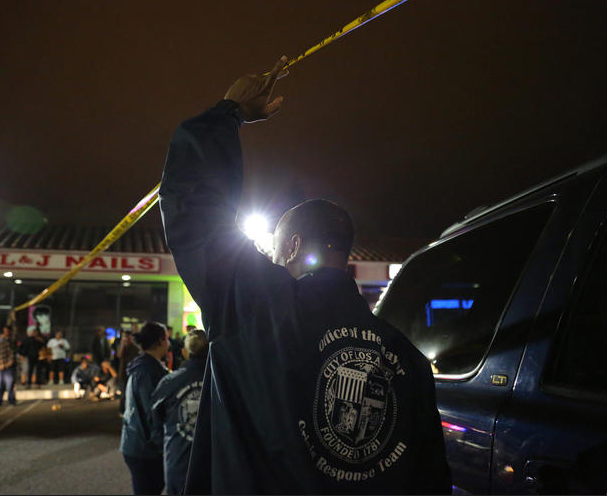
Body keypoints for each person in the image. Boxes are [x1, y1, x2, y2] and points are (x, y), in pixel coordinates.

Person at [157, 56, 450, 494]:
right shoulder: (407, 358)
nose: (271, 260)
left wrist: (228, 113)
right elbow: (431, 481)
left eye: (274, 249)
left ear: (292, 246)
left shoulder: (256, 312)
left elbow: (194, 208)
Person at [152, 328, 208, 495]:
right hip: (213, 461)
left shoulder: (169, 382)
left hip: (178, 460)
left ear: (184, 352)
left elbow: (155, 419)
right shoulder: (222, 379)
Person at [119, 322, 170, 495]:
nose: (168, 343)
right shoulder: (149, 371)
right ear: (161, 341)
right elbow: (152, 412)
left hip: (135, 442)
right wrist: (161, 446)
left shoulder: (143, 366)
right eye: (167, 339)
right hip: (144, 448)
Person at [0, 323, 18, 406]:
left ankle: (11, 400)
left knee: (10, 384)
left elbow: (13, 351)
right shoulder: (1, 341)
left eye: (7, 331)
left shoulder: (12, 340)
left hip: (9, 366)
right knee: (0, 385)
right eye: (4, 331)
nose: (6, 333)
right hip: (0, 365)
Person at [117, 329, 140, 415]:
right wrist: (123, 344)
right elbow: (119, 355)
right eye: (125, 337)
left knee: (132, 392)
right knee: (123, 393)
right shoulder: (122, 347)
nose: (127, 339)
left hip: (131, 372)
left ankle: (129, 409)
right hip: (123, 373)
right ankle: (122, 410)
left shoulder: (134, 347)